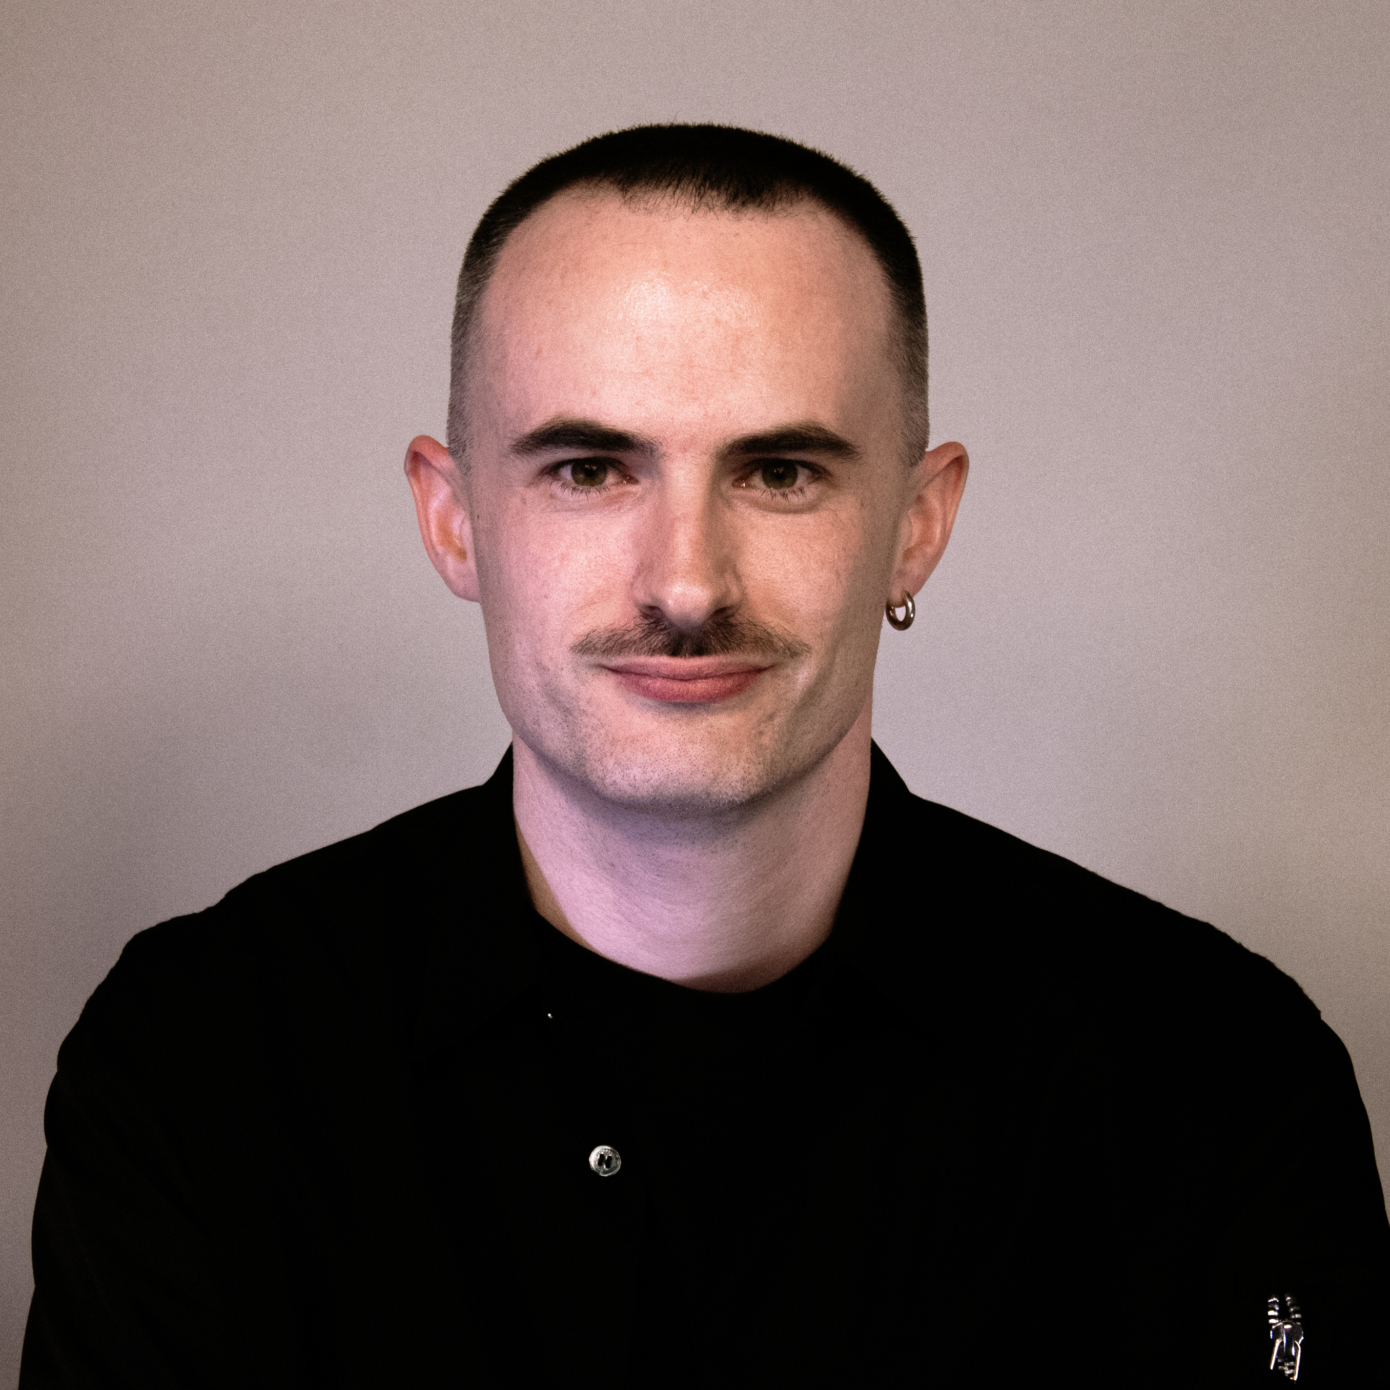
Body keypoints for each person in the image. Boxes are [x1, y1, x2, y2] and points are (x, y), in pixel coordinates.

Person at [20, 124, 1389, 1388]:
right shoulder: (203, 1063)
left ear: (916, 526)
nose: (685, 583)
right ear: (453, 519)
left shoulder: (1213, 1080)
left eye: (780, 472)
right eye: (587, 468)